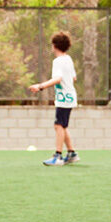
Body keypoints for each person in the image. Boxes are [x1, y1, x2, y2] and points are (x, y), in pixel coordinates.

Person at [27, 31, 78, 166]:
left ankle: (58, 156)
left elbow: (58, 79)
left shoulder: (58, 61)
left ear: (54, 46)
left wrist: (40, 86)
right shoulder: (68, 59)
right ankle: (72, 153)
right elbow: (74, 78)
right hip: (69, 96)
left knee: (58, 125)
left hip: (64, 98)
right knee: (62, 125)